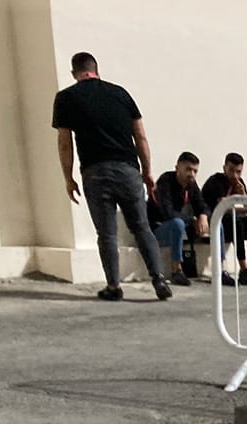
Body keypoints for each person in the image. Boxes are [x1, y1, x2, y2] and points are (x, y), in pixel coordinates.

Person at [51, 52, 172, 301]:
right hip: (128, 169)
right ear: (96, 70)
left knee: (106, 234)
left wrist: (68, 177)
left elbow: (65, 142)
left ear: (75, 74)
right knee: (141, 226)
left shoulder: (66, 98)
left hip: (95, 172)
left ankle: (114, 286)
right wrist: (148, 172)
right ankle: (159, 280)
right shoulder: (121, 94)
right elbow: (140, 136)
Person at [147, 151, 210, 285]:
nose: (191, 174)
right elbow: (167, 213)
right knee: (177, 223)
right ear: (177, 168)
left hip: (179, 230)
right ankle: (177, 270)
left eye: (195, 171)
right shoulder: (165, 181)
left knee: (217, 225)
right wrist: (192, 220)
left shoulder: (191, 184)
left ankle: (219, 269)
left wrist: (203, 216)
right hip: (158, 229)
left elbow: (202, 204)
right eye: (188, 169)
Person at [201, 152, 247, 286]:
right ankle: (244, 269)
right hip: (215, 221)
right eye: (231, 170)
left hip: (232, 221)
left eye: (238, 172)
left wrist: (243, 193)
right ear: (224, 168)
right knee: (236, 223)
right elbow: (223, 208)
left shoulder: (239, 183)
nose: (235, 175)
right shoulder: (216, 181)